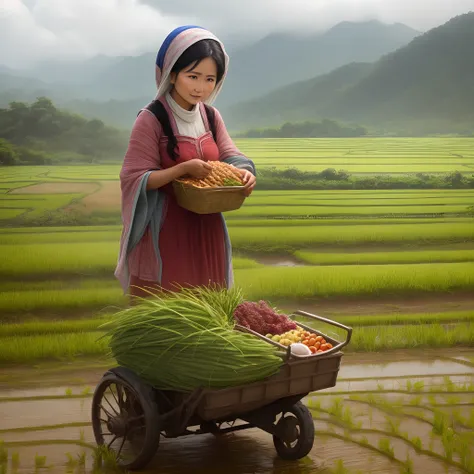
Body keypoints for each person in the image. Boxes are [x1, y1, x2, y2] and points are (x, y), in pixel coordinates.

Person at [115, 25, 256, 299]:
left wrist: (245, 173)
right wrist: (180, 170)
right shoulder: (152, 118)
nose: (200, 87)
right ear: (172, 73)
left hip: (209, 227)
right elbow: (133, 177)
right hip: (168, 227)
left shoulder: (211, 116)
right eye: (193, 76)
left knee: (210, 302)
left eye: (209, 79)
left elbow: (232, 156)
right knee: (173, 305)